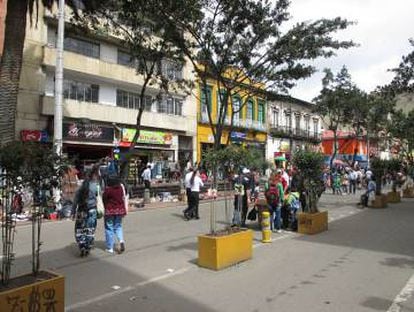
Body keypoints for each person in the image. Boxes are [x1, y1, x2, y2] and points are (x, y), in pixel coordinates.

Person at [73, 166, 100, 257]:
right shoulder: (94, 186)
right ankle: (88, 246)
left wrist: (73, 212)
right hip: (92, 210)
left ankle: (82, 246)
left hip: (81, 210)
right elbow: (98, 196)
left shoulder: (80, 187)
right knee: (90, 229)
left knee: (80, 229)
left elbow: (75, 201)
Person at [102, 176, 127, 254]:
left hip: (110, 211)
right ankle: (121, 241)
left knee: (109, 228)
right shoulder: (120, 188)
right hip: (120, 210)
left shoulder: (108, 190)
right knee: (118, 226)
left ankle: (110, 247)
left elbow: (104, 198)